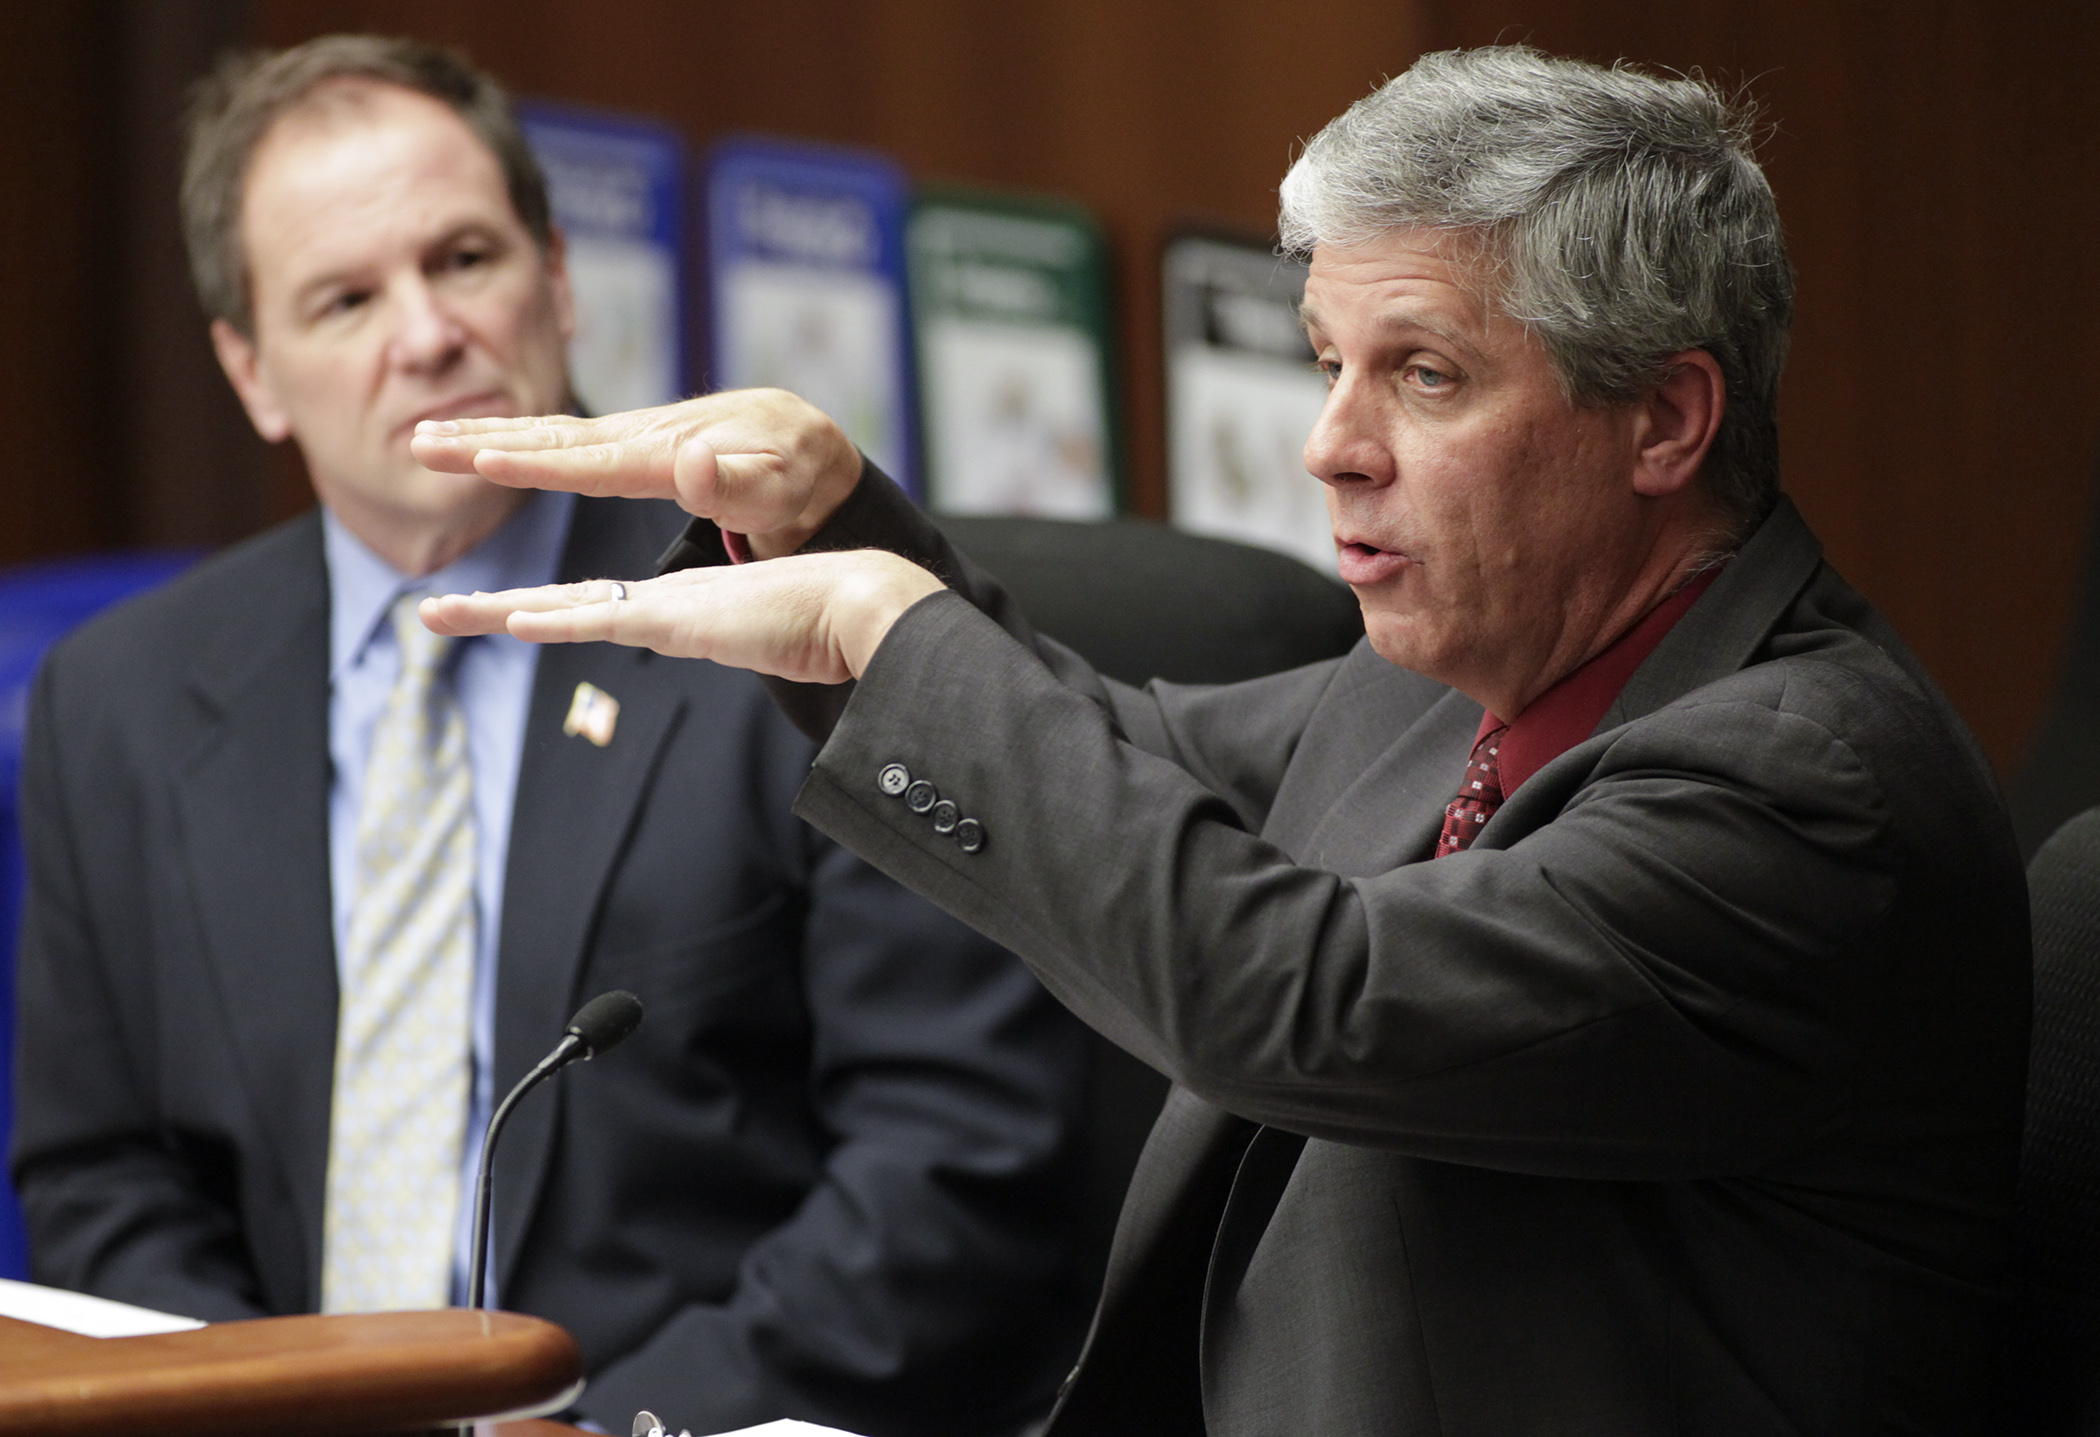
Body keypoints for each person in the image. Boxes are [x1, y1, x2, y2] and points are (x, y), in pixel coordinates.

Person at [416, 46, 2032, 1437]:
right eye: (1329, 364)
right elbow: (1107, 760)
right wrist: (833, 527)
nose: (1332, 447)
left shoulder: (1808, 790)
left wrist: (884, 632)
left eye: (1426, 375)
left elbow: (1297, 995)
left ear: (1667, 420)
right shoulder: (1450, 671)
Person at [9, 35, 1092, 1437]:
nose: (424, 332)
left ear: (560, 281)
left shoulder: (793, 621)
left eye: (463, 259)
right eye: (344, 298)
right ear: (252, 372)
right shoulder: (121, 701)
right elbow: (107, 1177)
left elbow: (961, 1161)